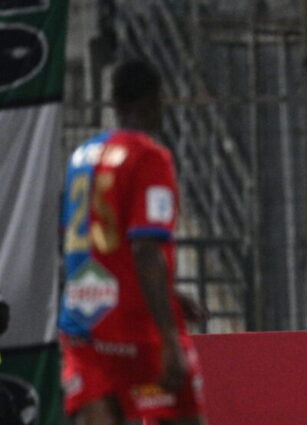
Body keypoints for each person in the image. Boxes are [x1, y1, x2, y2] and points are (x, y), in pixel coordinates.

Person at [59, 60, 206, 425]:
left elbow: (92, 246)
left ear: (115, 102)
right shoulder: (149, 157)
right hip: (136, 335)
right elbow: (144, 248)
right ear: (155, 100)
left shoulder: (81, 157)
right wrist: (168, 337)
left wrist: (168, 295)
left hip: (84, 326)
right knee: (178, 412)